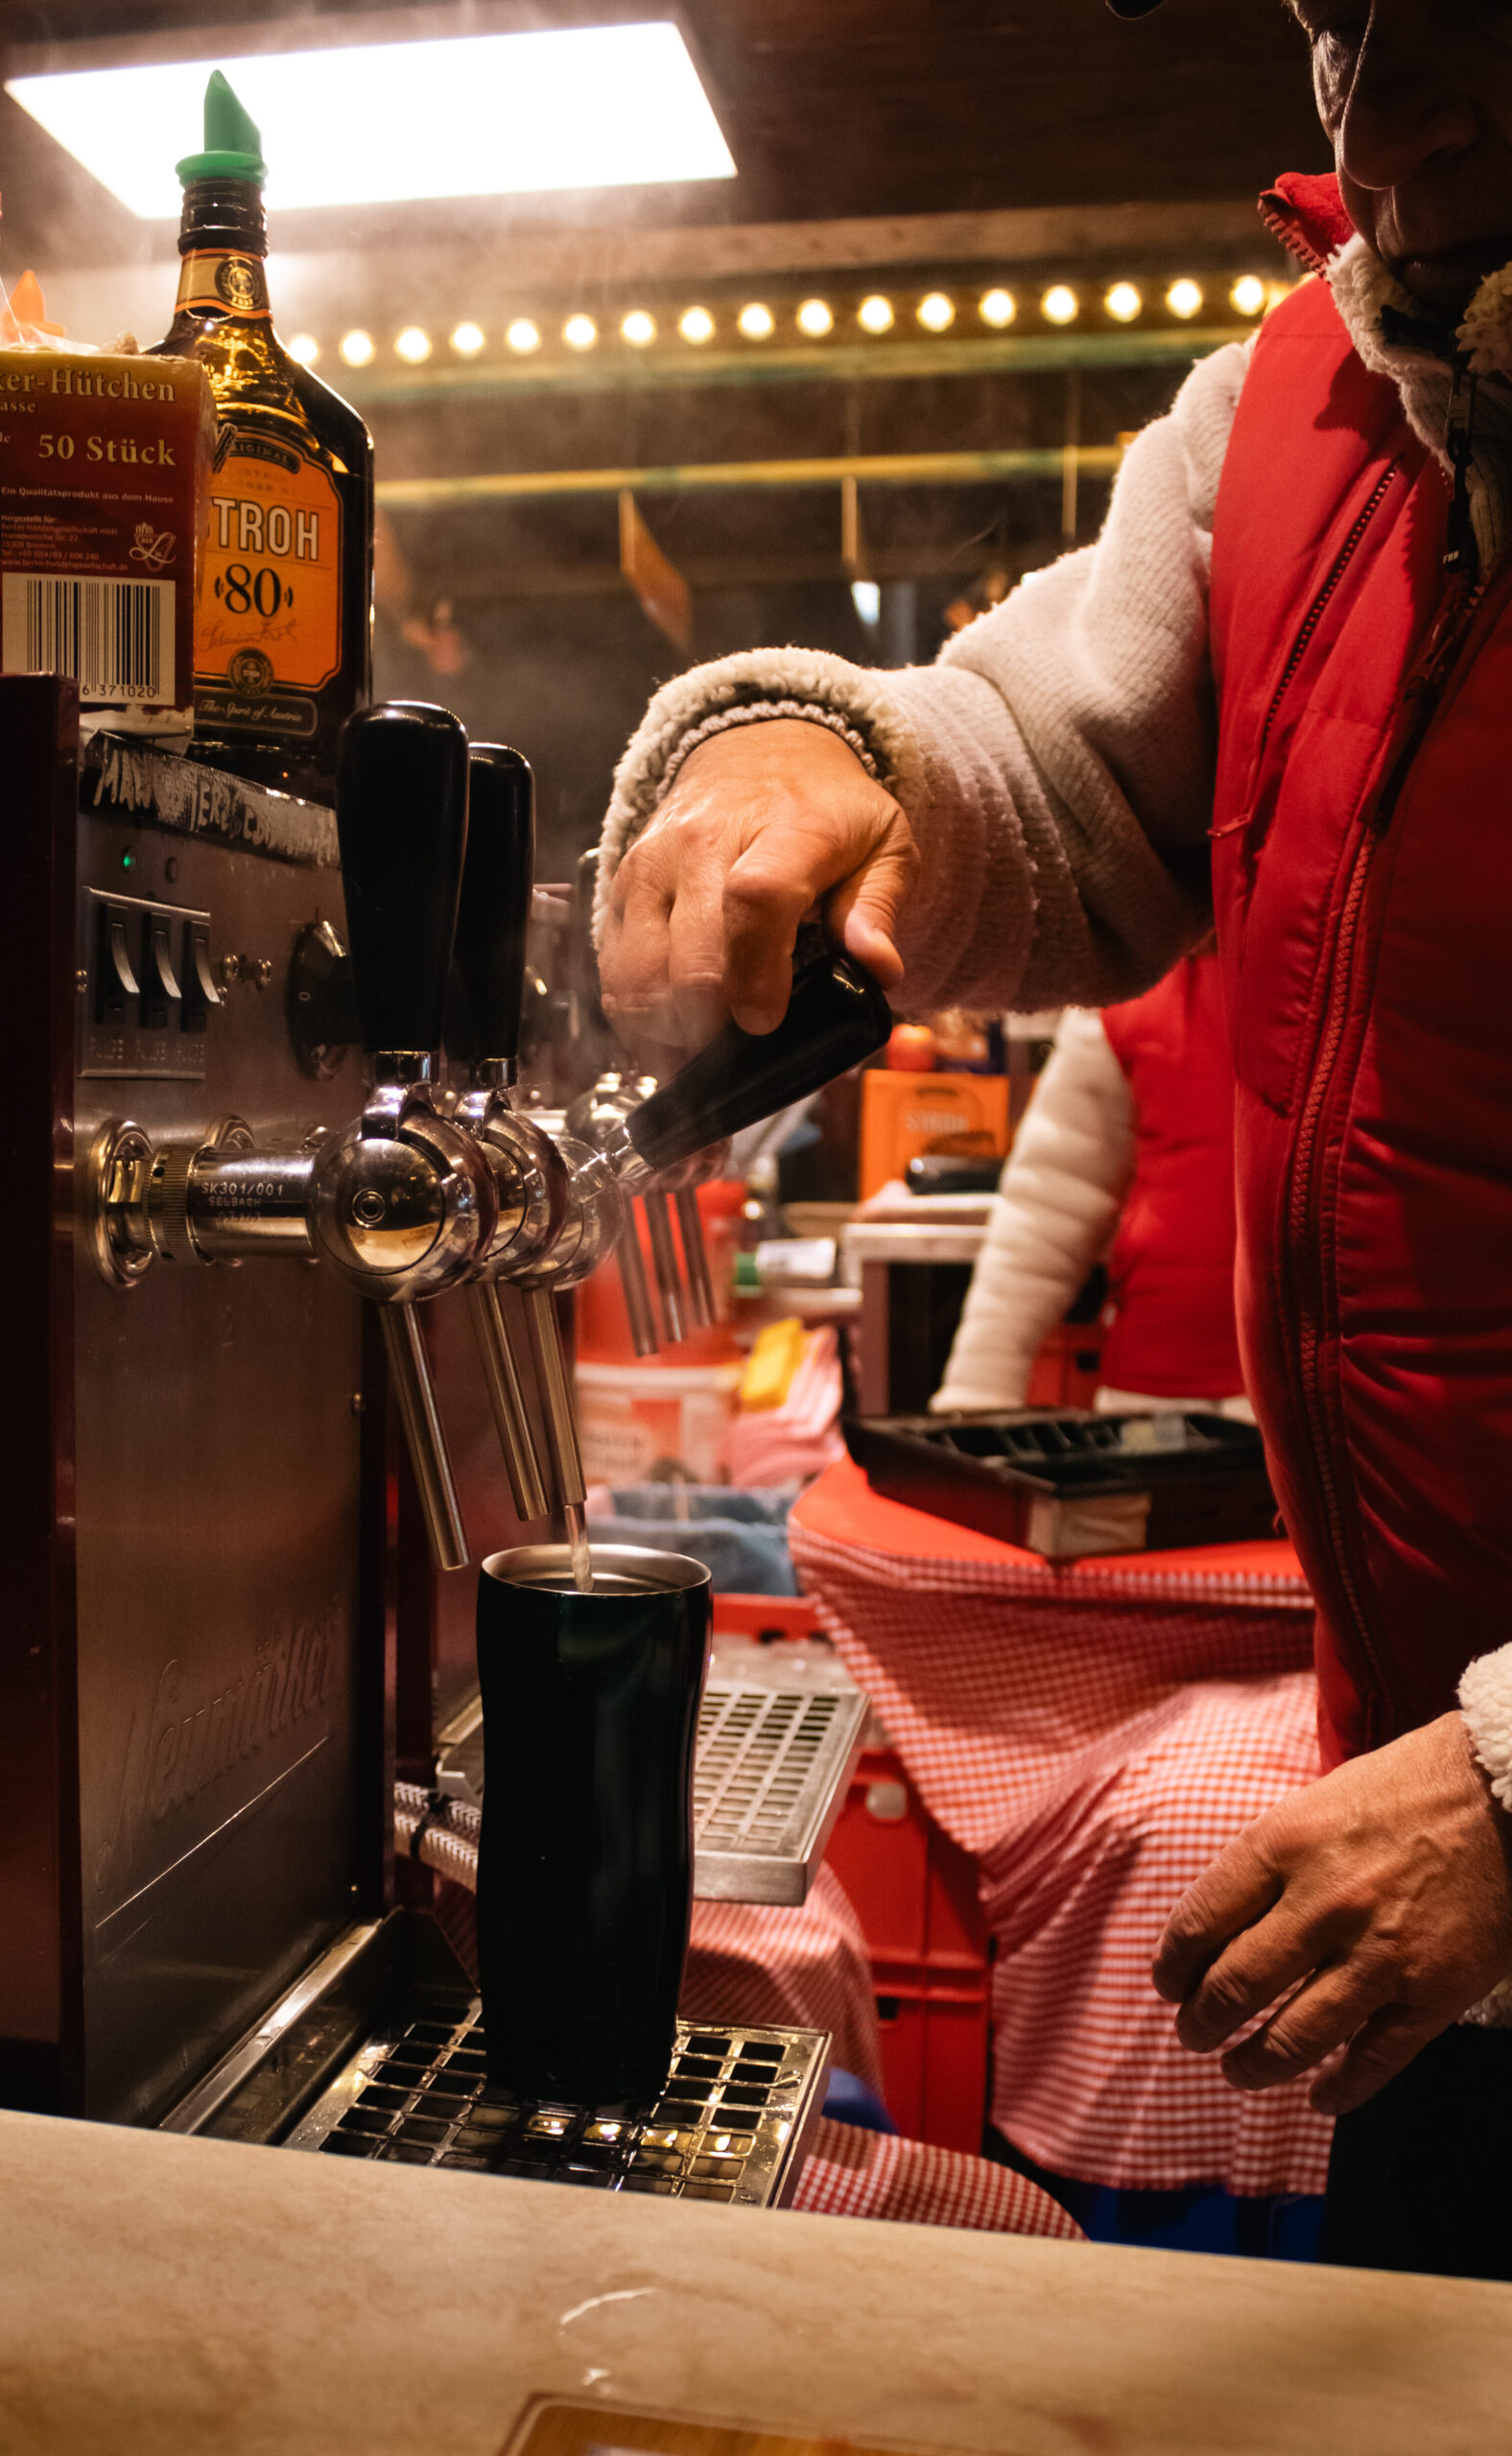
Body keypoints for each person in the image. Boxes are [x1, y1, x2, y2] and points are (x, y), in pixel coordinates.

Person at [593, 0, 1512, 2278]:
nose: (1380, 108)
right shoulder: (1301, 407)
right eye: (1337, 18)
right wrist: (832, 762)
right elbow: (1058, 772)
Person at [932, 948, 1251, 1419]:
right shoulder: (1130, 985)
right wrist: (979, 1386)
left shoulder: (1356, 977)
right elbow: (1048, 1202)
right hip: (1150, 1395)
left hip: (1320, 1415)